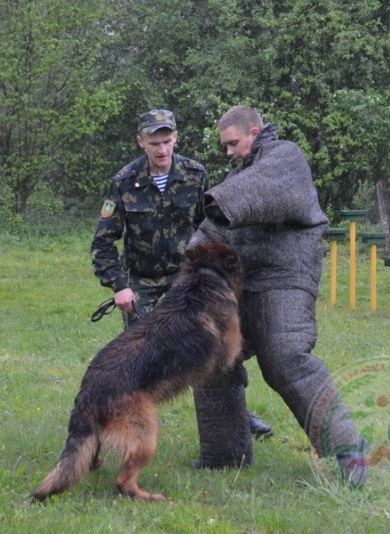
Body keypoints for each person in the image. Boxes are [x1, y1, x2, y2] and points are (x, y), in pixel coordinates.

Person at [188, 105, 368, 485]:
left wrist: (221, 205)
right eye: (224, 146)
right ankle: (224, 455)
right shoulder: (239, 175)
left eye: (233, 143)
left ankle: (350, 454)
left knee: (285, 357)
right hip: (242, 281)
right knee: (211, 355)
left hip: (285, 277)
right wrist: (194, 253)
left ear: (254, 132)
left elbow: (252, 193)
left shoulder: (286, 158)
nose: (228, 152)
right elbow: (214, 226)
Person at [90, 109, 273, 440]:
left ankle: (237, 416)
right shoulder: (123, 182)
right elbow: (102, 243)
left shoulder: (194, 173)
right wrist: (119, 286)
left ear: (176, 139)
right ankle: (114, 428)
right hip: (141, 282)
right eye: (154, 143)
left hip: (188, 279)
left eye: (167, 141)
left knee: (213, 348)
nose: (162, 150)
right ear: (141, 142)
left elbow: (213, 226)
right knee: (139, 362)